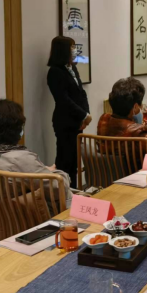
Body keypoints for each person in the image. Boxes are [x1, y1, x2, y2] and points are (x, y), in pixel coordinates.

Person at [0, 99, 72, 209]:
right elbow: (59, 188)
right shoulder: (19, 159)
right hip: (36, 217)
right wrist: (54, 172)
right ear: (13, 128)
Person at [47, 36, 91, 188]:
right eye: (71, 47)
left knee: (74, 162)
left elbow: (81, 93)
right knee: (65, 162)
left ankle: (74, 192)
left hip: (78, 122)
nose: (74, 50)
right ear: (63, 50)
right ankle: (65, 193)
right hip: (65, 122)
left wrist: (86, 115)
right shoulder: (54, 72)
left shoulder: (73, 68)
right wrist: (83, 115)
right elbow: (63, 99)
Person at [98, 77, 147, 156]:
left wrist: (138, 125)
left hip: (109, 164)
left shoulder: (103, 120)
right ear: (135, 107)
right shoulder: (136, 132)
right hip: (134, 164)